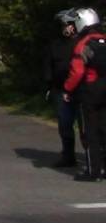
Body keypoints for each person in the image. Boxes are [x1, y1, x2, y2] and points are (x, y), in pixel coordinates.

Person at [62, 9, 106, 181]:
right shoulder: (104, 40)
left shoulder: (83, 44)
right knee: (104, 128)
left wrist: (67, 89)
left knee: (90, 131)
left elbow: (77, 72)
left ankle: (93, 171)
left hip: (90, 90)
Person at [44, 10, 81, 167]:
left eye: (67, 25)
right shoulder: (55, 45)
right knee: (65, 124)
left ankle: (93, 157)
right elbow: (48, 66)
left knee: (87, 126)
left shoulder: (82, 43)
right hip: (60, 90)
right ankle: (68, 155)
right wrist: (49, 86)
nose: (65, 28)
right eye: (63, 25)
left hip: (81, 90)